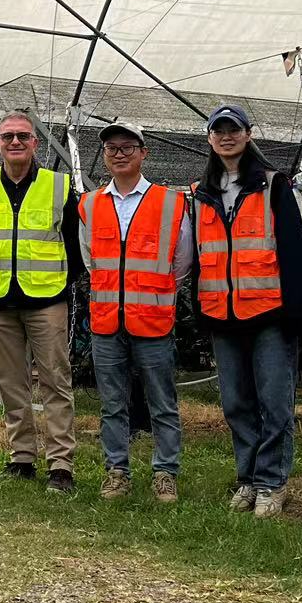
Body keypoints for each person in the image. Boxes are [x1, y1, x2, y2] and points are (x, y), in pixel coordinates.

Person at [191, 104, 302, 518]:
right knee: (236, 402)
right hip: (221, 313)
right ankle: (247, 478)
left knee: (274, 401)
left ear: (248, 134)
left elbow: (293, 251)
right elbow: (200, 257)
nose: (226, 137)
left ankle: (272, 483)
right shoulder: (201, 192)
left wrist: (296, 312)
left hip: (270, 312)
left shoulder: (273, 185)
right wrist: (200, 307)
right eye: (218, 131)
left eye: (234, 130)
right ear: (209, 138)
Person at [0, 112, 85, 493]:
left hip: (47, 298)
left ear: (36, 143)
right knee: (12, 382)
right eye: (7, 137)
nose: (15, 143)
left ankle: (61, 464)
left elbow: (75, 244)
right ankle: (21, 458)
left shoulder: (60, 186)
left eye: (23, 137)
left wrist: (62, 282)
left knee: (55, 380)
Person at [78, 121, 192, 504]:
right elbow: (90, 260)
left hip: (153, 320)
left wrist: (151, 290)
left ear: (144, 153)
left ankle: (165, 473)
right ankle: (117, 472)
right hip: (107, 320)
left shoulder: (171, 203)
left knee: (162, 402)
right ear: (105, 156)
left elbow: (182, 262)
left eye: (128, 146)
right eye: (112, 147)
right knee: (112, 403)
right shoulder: (90, 204)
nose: (119, 153)